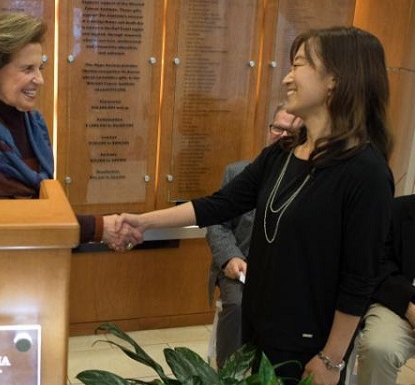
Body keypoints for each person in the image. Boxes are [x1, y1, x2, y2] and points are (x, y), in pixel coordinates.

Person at [116, 26, 394, 385]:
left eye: (299, 66)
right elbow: (221, 204)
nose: (287, 79)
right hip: (260, 329)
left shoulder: (366, 172)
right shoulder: (282, 153)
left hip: (309, 349)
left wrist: (331, 359)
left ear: (335, 80)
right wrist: (143, 222)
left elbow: (360, 279)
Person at [0, 12, 138, 246]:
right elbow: (5, 221)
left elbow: (43, 204)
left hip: (39, 263)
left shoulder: (35, 122)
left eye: (40, 68)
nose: (40, 80)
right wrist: (97, 228)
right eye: (28, 69)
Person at [206, 105, 303, 369]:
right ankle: (229, 373)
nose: (281, 136)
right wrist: (230, 257)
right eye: (277, 128)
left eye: (290, 132)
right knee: (238, 305)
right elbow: (216, 222)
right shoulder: (238, 172)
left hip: (284, 274)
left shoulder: (307, 180)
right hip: (240, 268)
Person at [356, 194, 415, 384]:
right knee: (379, 348)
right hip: (399, 304)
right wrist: (410, 308)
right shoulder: (394, 210)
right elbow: (377, 264)